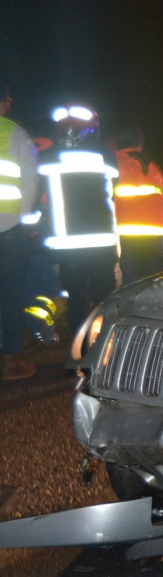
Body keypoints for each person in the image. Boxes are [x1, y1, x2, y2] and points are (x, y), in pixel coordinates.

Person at [36, 103, 120, 336]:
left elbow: (36, 194)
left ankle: (79, 353)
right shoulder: (105, 156)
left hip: (68, 244)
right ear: (92, 129)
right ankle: (108, 348)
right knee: (106, 299)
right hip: (102, 241)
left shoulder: (49, 157)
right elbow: (117, 183)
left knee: (77, 300)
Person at [0, 83, 40, 380]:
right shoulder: (16, 133)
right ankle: (10, 360)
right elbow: (29, 183)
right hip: (8, 228)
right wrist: (25, 221)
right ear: (6, 102)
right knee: (11, 294)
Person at [111, 125, 163, 282]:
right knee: (155, 285)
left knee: (132, 287)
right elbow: (162, 204)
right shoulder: (152, 166)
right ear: (140, 144)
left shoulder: (116, 164)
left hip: (128, 236)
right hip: (157, 235)